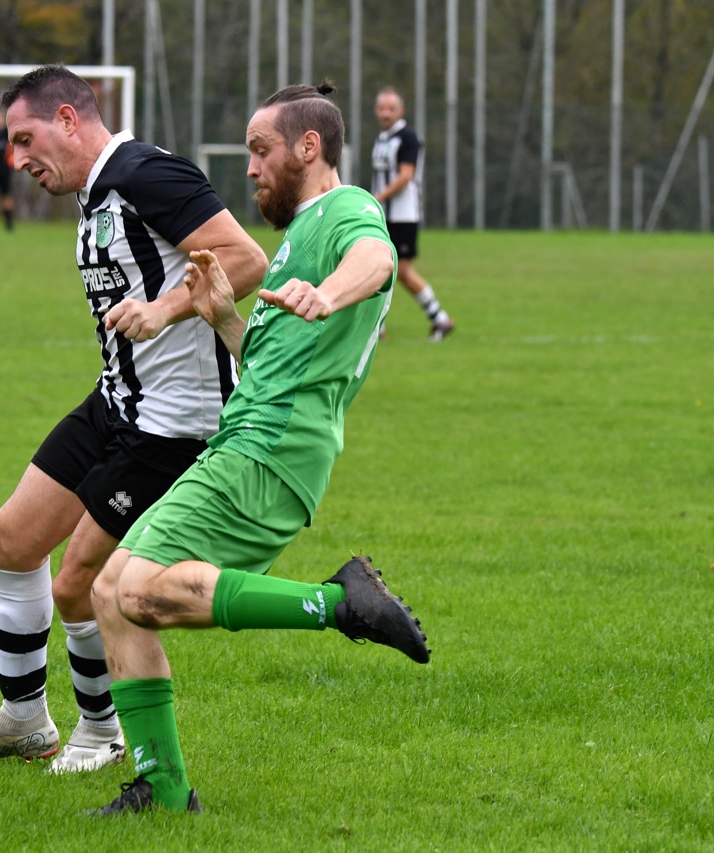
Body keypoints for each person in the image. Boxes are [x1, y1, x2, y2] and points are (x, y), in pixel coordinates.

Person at [88, 81, 430, 815]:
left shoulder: (344, 209)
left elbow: (375, 256)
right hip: (247, 439)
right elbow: (272, 366)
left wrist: (331, 293)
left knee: (140, 590)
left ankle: (339, 604)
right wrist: (223, 319)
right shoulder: (295, 240)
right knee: (111, 593)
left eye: (261, 150)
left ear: (309, 147)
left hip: (269, 452)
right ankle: (163, 790)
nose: (250, 167)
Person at [0, 65, 269, 774]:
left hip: (175, 423)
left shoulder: (146, 173)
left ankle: (101, 730)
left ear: (67, 119)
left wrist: (164, 310)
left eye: (25, 139)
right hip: (116, 401)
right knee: (11, 539)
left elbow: (245, 258)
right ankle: (25, 719)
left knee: (77, 581)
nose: (17, 159)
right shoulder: (94, 194)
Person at [371, 86, 455, 341]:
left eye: (391, 108)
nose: (386, 113)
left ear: (401, 111)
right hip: (383, 215)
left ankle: (440, 319)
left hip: (403, 216)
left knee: (403, 271)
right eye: (382, 108)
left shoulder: (408, 138)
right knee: (376, 267)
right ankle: (376, 327)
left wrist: (378, 197)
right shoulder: (382, 138)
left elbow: (405, 176)